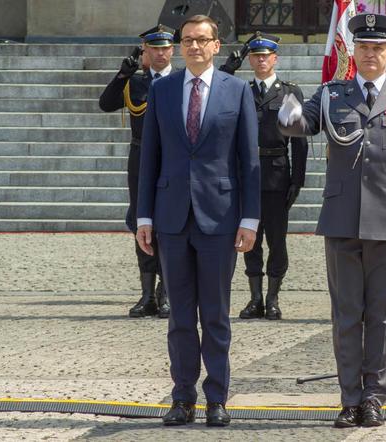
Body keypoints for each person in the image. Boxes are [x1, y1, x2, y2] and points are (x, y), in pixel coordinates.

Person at [279, 13, 386, 428]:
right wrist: (289, 114)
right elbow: (302, 125)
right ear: (354, 52)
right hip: (343, 220)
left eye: (378, 48)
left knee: (383, 316)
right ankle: (349, 397)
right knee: (347, 314)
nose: (370, 54)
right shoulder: (331, 94)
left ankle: (375, 397)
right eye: (363, 47)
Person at [135, 15, 260, 426]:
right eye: (187, 40)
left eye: (201, 40)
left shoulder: (237, 90)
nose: (193, 47)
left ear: (216, 45)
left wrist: (250, 218)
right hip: (171, 217)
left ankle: (217, 398)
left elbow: (249, 161)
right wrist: (145, 215)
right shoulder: (162, 90)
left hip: (220, 218)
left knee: (216, 315)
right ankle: (182, 396)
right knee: (180, 316)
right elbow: (149, 156)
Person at [99, 24, 175, 319]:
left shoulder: (182, 81)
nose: (159, 53)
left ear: (172, 50)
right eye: (153, 48)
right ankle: (147, 293)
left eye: (165, 48)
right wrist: (122, 76)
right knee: (142, 220)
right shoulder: (136, 83)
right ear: (145, 51)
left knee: (170, 223)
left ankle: (165, 292)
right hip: (141, 157)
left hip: (171, 159)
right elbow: (105, 104)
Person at [238, 33, 308, 321]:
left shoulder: (289, 92)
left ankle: (273, 298)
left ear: (275, 58)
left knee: (277, 240)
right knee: (248, 237)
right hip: (248, 174)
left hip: (277, 173)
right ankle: (254, 298)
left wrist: (298, 180)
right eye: (256, 55)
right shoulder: (241, 91)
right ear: (251, 59)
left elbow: (299, 141)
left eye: (266, 55)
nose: (261, 59)